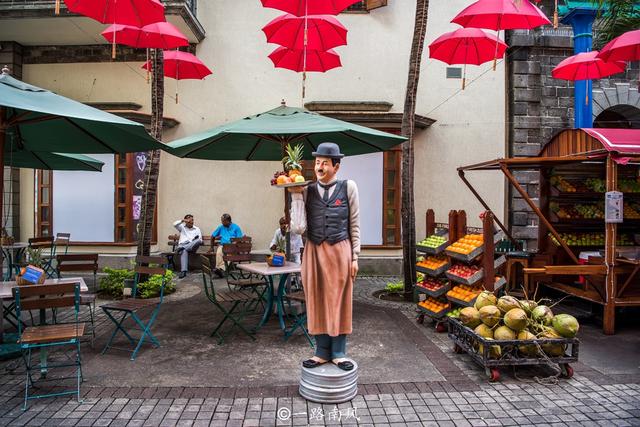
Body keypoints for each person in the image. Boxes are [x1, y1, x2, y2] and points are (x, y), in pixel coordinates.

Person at [289, 142, 360, 371]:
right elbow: (298, 228)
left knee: (339, 299)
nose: (320, 167)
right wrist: (296, 198)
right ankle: (321, 352)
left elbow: (355, 224)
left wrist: (355, 257)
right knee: (316, 297)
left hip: (341, 249)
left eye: (325, 163)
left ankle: (338, 352)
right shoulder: (306, 189)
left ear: (336, 167)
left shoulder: (348, 187)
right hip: (313, 249)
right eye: (318, 162)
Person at [172, 214, 203, 279]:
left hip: (192, 246)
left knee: (199, 241)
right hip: (183, 245)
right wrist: (183, 220)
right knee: (184, 250)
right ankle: (183, 271)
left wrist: (192, 241)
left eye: (192, 220)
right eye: (190, 220)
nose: (192, 222)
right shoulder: (182, 227)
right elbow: (174, 224)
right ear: (186, 221)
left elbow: (200, 239)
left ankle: (182, 248)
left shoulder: (197, 229)